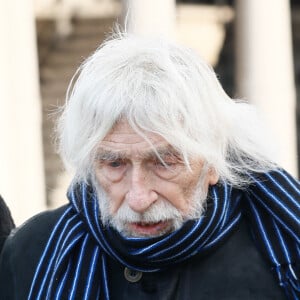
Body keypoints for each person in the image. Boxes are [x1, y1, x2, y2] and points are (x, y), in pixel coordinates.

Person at [0, 33, 299, 300]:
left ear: (213, 162)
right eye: (114, 164)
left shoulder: (283, 247)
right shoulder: (31, 254)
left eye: (165, 162)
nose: (138, 198)